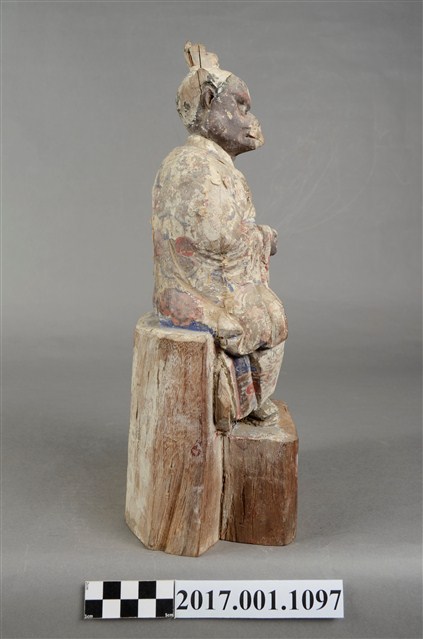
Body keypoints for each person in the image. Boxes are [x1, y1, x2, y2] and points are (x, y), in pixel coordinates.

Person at [152, 42, 288, 428]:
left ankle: (244, 397)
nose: (250, 118)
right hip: (193, 289)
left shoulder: (222, 168)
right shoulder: (190, 164)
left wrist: (256, 236)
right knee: (258, 315)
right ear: (209, 100)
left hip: (219, 281)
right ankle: (228, 396)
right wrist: (259, 237)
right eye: (241, 106)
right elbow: (213, 239)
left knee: (268, 312)